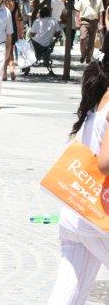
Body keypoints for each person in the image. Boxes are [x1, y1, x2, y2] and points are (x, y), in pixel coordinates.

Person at [48, 47, 109, 305]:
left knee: (66, 297)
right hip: (101, 219)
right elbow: (105, 163)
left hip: (77, 210)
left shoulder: (101, 93)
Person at [75, 0, 104, 64]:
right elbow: (77, 10)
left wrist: (100, 23)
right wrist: (77, 22)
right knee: (83, 38)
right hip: (84, 21)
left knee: (91, 41)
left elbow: (100, 12)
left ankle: (89, 57)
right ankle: (83, 55)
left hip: (94, 21)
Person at [2, 0, 23, 81]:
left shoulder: (1, 3)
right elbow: (17, 19)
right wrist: (19, 32)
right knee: (10, 51)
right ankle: (11, 69)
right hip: (13, 29)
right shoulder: (15, 4)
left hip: (3, 29)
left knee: (3, 51)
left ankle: (4, 74)